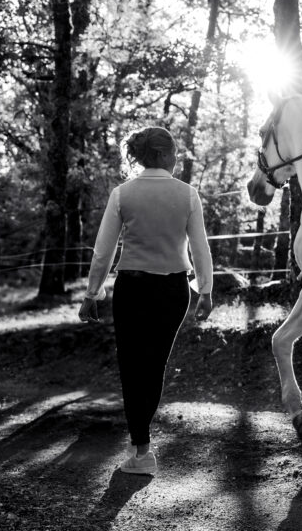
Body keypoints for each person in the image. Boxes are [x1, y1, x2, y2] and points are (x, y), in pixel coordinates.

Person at [78, 126, 213, 476]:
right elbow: (200, 248)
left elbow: (103, 251)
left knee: (131, 366)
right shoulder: (188, 195)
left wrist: (92, 293)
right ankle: (141, 447)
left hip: (132, 289)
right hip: (173, 291)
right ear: (164, 155)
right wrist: (206, 290)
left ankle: (141, 447)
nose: (177, 158)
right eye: (175, 153)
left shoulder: (122, 194)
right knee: (154, 366)